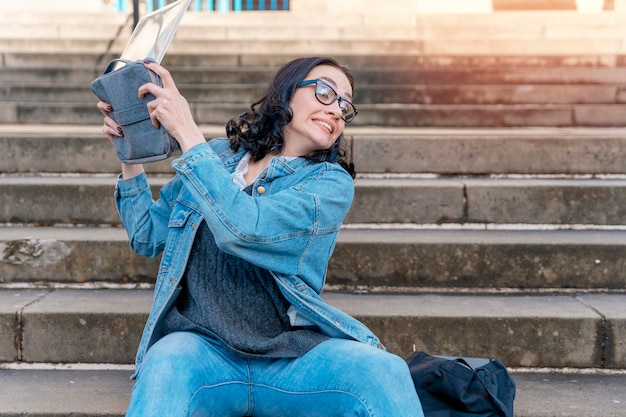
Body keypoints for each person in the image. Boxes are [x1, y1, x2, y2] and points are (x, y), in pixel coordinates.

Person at [97, 56, 424, 417]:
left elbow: (246, 230)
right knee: (166, 360)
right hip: (200, 351)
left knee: (385, 371)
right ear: (285, 94)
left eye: (345, 105)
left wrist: (189, 135)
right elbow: (147, 235)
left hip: (291, 359)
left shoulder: (329, 184)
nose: (336, 111)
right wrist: (130, 153)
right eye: (325, 93)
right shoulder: (217, 157)